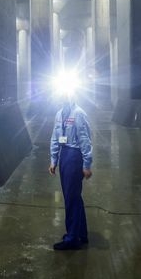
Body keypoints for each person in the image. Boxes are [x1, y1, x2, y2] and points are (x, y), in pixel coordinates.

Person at [49, 92, 92, 250]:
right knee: (73, 196)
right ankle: (81, 233)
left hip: (75, 156)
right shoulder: (59, 114)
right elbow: (55, 137)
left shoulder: (78, 114)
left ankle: (72, 238)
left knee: (71, 198)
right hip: (64, 155)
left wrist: (86, 164)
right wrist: (54, 160)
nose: (62, 97)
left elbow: (85, 139)